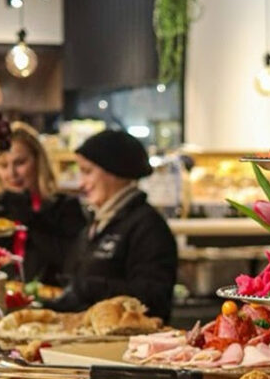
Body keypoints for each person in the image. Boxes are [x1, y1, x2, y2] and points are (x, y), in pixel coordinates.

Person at [48, 129, 177, 322]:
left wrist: (88, 288)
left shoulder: (148, 226)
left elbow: (154, 298)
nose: (81, 184)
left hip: (124, 346)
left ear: (115, 171)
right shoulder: (98, 221)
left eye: (87, 172)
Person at [0, 123, 86, 284]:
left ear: (38, 161)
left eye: (20, 163)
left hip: (51, 300)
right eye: (3, 165)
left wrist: (32, 220)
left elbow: (73, 263)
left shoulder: (65, 206)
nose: (11, 173)